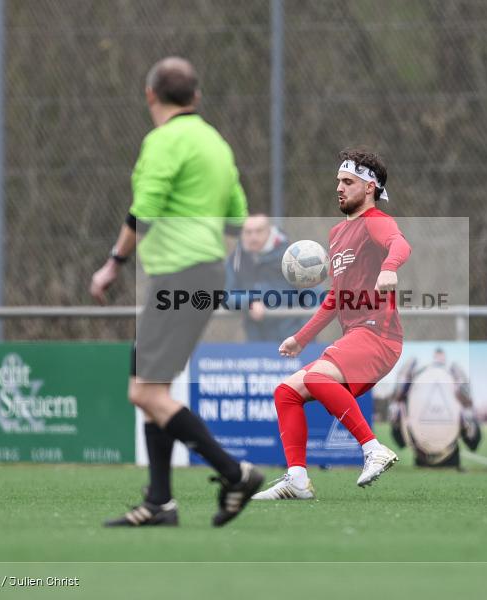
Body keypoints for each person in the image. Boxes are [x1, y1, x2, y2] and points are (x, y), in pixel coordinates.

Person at [89, 56, 263, 526]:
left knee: (141, 393)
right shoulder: (216, 144)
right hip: (207, 273)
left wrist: (113, 265)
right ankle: (160, 501)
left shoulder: (163, 141)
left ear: (150, 95)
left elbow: (142, 210)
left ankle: (234, 471)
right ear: (197, 98)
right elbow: (235, 218)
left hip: (178, 276)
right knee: (155, 390)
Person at [253, 148, 411, 500]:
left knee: (316, 377)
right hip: (357, 335)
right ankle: (297, 479)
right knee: (287, 392)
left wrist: (389, 267)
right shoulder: (339, 233)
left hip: (379, 336)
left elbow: (400, 244)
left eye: (348, 182)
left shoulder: (376, 222)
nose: (339, 188)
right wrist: (300, 338)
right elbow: (335, 298)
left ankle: (373, 449)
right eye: (338, 181)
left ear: (369, 187)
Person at [224, 213, 308, 341]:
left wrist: (303, 335)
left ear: (269, 231)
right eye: (248, 232)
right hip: (256, 340)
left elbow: (313, 293)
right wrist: (249, 301)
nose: (253, 237)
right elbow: (226, 294)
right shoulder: (236, 260)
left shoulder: (292, 256)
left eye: (258, 231)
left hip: (293, 339)